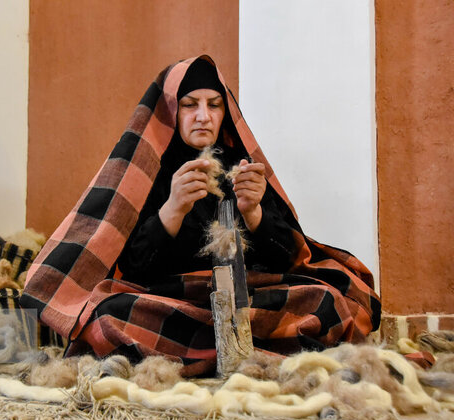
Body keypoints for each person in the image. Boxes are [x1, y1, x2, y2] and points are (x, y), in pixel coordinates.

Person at [20, 55, 381, 376]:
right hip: (173, 303)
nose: (203, 116)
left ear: (226, 112)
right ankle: (256, 353)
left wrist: (254, 213)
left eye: (214, 104)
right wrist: (172, 209)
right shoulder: (147, 171)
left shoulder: (242, 165)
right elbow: (133, 268)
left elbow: (287, 256)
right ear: (172, 111)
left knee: (328, 300)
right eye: (190, 105)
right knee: (108, 314)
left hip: (247, 299)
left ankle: (204, 353)